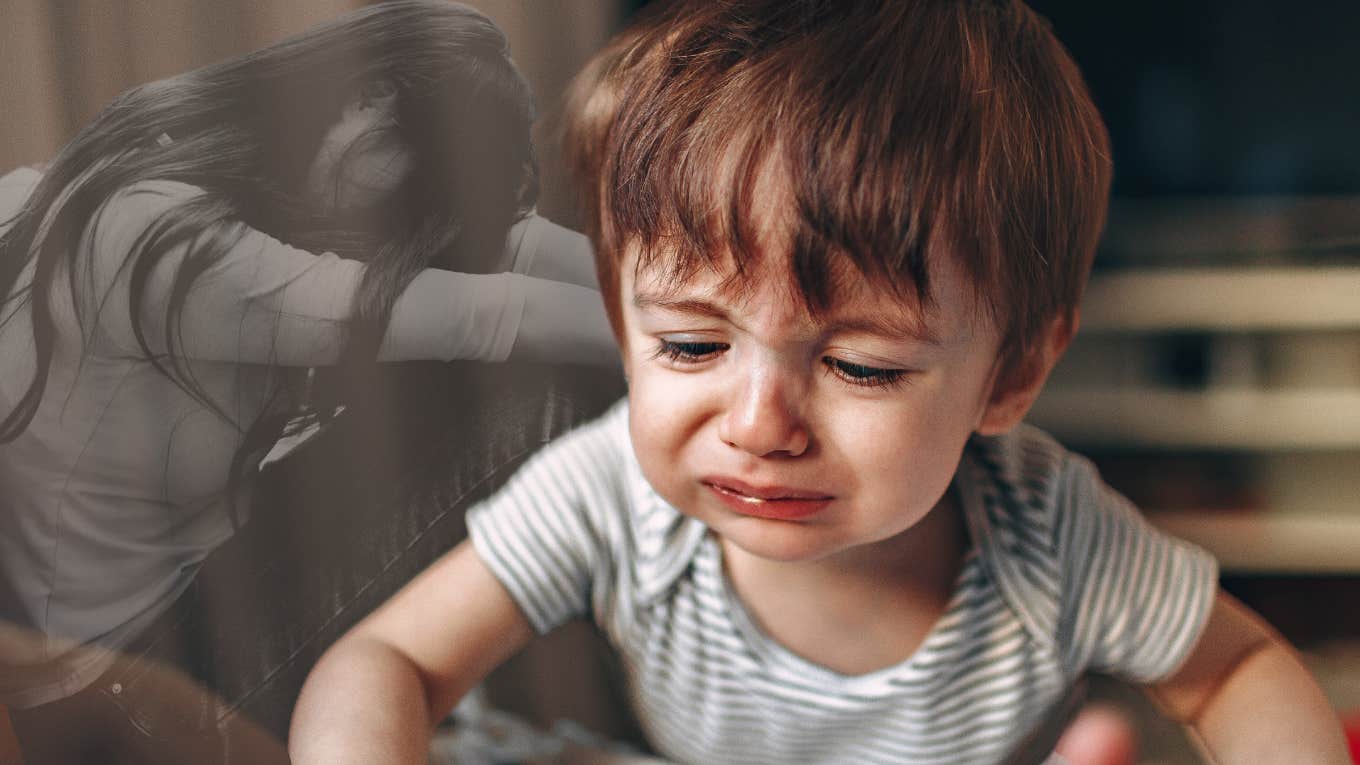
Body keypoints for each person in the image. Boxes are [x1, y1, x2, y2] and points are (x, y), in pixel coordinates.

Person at [289, 1, 1352, 763]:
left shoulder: (1050, 535)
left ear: (1012, 372)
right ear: (622, 326)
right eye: (692, 347)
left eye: (859, 365)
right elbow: (386, 660)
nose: (757, 426)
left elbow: (1236, 673)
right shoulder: (604, 492)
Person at [0, 1, 617, 762]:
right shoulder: (158, 242)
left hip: (187, 604)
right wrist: (696, 353)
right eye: (420, 167)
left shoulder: (159, 172)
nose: (417, 208)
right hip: (136, 674)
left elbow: (504, 247)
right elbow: (492, 313)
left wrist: (716, 304)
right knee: (542, 394)